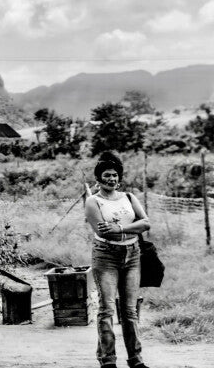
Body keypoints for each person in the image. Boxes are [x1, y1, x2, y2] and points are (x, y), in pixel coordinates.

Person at [85, 151, 151, 368]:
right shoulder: (93, 202)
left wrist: (120, 228)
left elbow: (146, 223)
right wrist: (130, 229)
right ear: (98, 178)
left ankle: (136, 360)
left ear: (119, 177)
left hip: (132, 256)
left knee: (130, 311)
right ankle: (108, 361)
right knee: (106, 309)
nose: (111, 179)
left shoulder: (129, 198)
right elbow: (103, 232)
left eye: (115, 175)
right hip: (106, 256)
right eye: (107, 175)